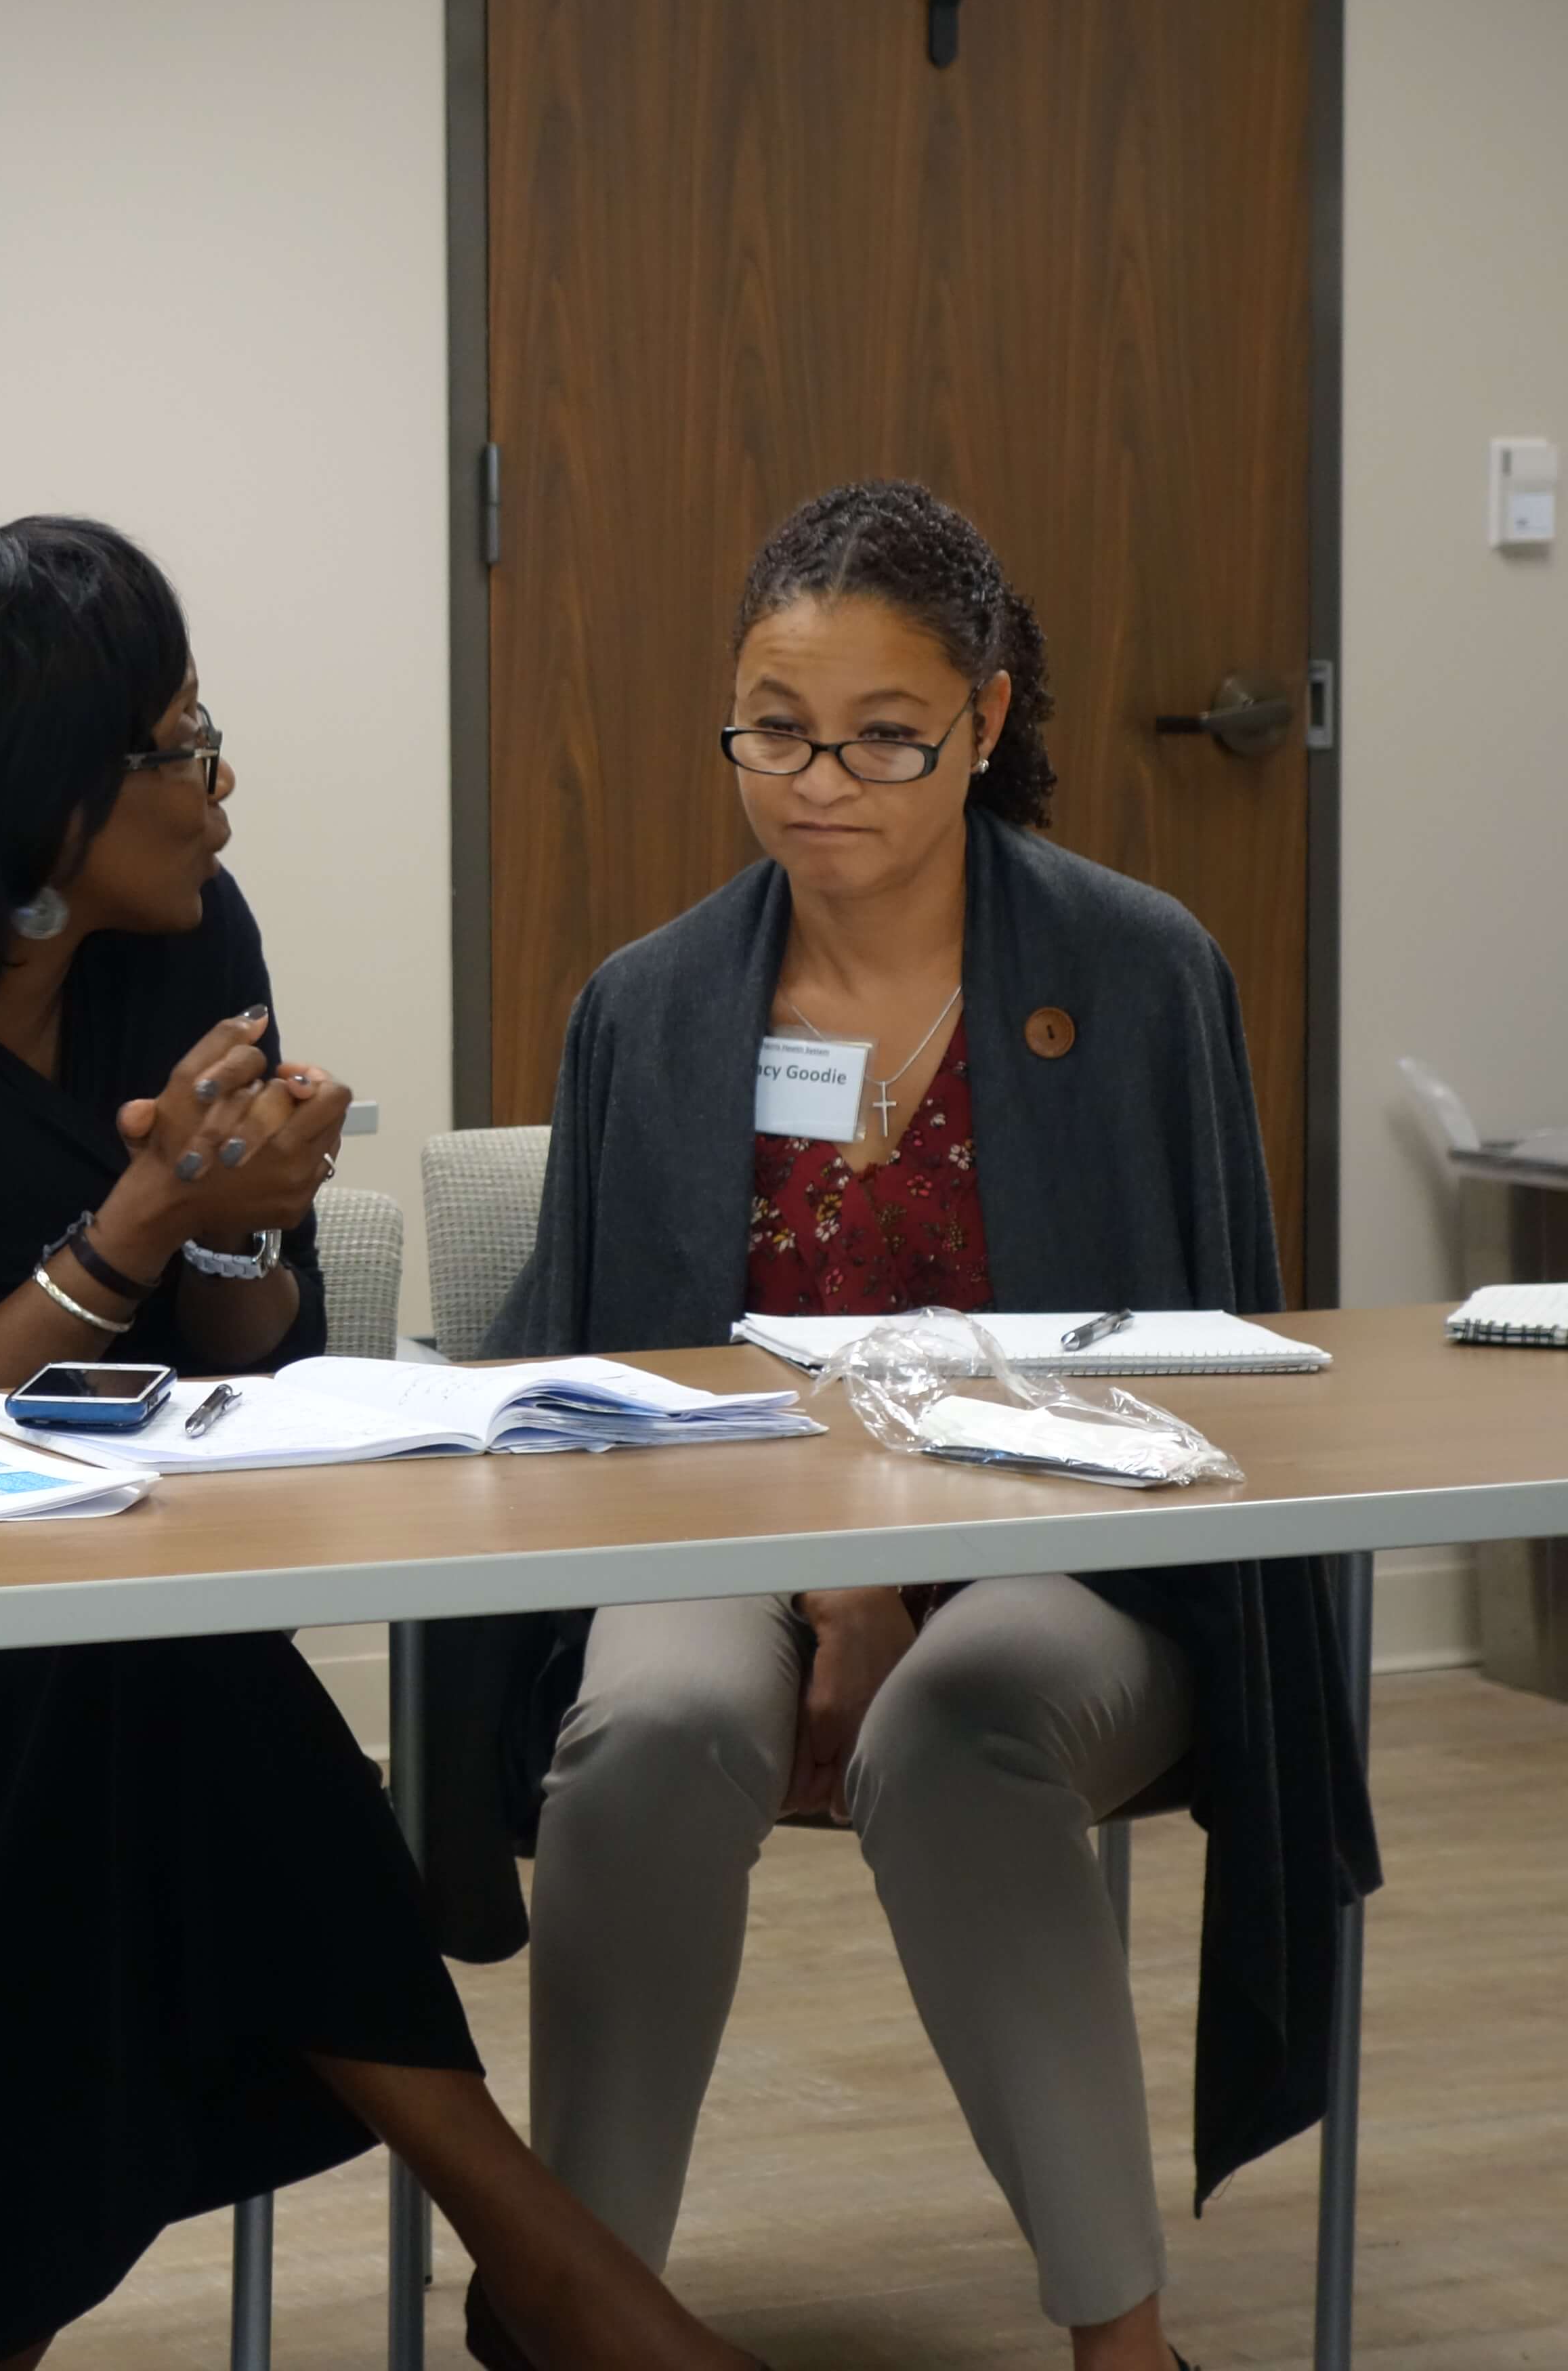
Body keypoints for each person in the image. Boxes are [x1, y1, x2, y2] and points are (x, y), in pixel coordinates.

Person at [0, 518, 765, 2371]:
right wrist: (133, 1227)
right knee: (122, 1686)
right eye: (179, 746)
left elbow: (250, 1342)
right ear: (27, 789)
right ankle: (546, 2263)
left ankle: (29, 2327)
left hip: (61, 1595)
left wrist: (235, 1229)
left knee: (126, 1672)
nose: (220, 792)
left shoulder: (186, 938)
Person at [438, 482, 1378, 2371]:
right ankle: (583, 2310)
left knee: (960, 1736)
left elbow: (1203, 1366)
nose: (821, 784)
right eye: (775, 731)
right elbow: (614, 1382)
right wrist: (829, 1592)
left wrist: (894, 1592)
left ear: (988, 717)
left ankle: (1123, 2342)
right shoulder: (652, 1008)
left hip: (1067, 1555)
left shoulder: (1137, 974)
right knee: (643, 1733)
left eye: (883, 737)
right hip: (735, 1541)